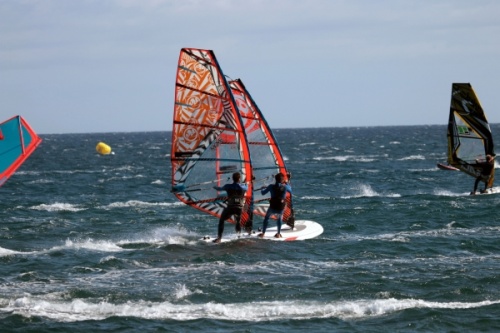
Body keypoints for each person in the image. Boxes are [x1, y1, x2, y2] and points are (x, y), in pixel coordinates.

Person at [212, 172, 248, 243]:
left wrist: (214, 186)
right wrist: (247, 179)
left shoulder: (228, 186)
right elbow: (244, 185)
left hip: (230, 208)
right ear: (239, 179)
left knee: (222, 220)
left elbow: (219, 189)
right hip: (239, 208)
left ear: (232, 178)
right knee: (238, 221)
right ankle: (239, 236)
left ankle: (219, 238)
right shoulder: (244, 187)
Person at [259, 172, 292, 238]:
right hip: (280, 207)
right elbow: (290, 190)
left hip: (272, 207)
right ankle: (278, 234)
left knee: (266, 218)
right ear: (282, 180)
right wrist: (287, 182)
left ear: (275, 179)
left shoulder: (271, 186)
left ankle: (263, 233)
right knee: (279, 218)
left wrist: (262, 188)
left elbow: (263, 193)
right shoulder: (285, 187)